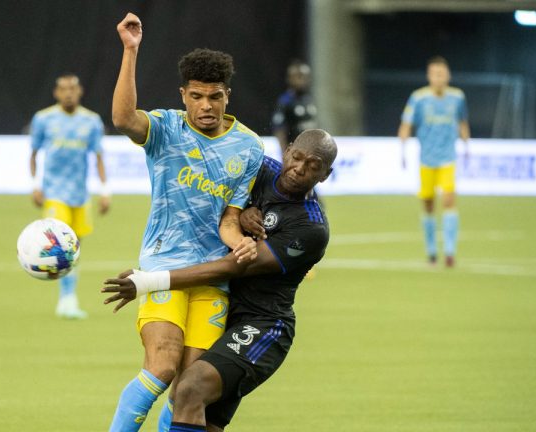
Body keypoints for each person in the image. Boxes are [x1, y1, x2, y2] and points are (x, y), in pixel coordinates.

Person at [102, 129, 337, 431]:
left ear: (326, 174)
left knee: (190, 389)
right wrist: (237, 215)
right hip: (220, 304)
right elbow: (207, 201)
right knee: (193, 409)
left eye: (313, 166)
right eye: (297, 157)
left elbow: (234, 267)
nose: (300, 168)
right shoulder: (258, 168)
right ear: (287, 150)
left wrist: (149, 281)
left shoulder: (310, 227)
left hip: (261, 324)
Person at [108, 12, 265, 431]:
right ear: (183, 95)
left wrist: (240, 244)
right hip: (162, 266)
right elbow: (124, 119)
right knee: (161, 366)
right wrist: (130, 51)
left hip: (212, 276)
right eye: (196, 96)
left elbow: (229, 219)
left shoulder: (249, 147)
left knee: (188, 388)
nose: (206, 106)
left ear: (227, 95)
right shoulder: (166, 129)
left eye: (214, 96)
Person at [29, 73, 111, 319]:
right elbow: (33, 153)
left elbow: (98, 157)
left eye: (72, 89)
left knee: (74, 248)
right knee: (60, 244)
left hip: (80, 195)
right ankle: (66, 299)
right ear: (56, 93)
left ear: (80, 92)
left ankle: (69, 298)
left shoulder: (92, 121)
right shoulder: (44, 119)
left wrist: (105, 191)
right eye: (63, 89)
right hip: (54, 193)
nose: (68, 93)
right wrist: (35, 184)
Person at [398, 56, 470, 268]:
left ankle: (449, 252)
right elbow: (406, 124)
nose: (438, 78)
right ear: (429, 76)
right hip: (426, 159)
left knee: (449, 200)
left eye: (442, 74)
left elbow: (463, 122)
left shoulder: (457, 97)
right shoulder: (418, 98)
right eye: (434, 74)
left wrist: (467, 147)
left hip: (448, 158)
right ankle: (431, 251)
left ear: (448, 76)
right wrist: (401, 149)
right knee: (428, 205)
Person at [271, 60, 318, 159]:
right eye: (299, 76)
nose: (303, 80)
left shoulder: (308, 100)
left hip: (310, 153)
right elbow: (279, 130)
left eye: (306, 77)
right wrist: (285, 155)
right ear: (290, 79)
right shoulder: (285, 101)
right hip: (295, 154)